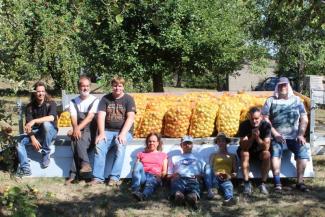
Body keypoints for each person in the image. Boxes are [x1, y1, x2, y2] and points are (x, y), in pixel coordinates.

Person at [262, 77, 309, 192]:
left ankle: (300, 182)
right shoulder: (271, 100)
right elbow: (265, 118)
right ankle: (277, 183)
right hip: (277, 136)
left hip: (294, 137)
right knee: (275, 154)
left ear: (289, 86)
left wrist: (301, 134)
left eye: (285, 85)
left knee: (303, 153)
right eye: (280, 85)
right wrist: (275, 133)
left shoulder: (297, 100)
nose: (283, 87)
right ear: (277, 87)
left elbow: (304, 118)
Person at [89, 77, 136, 186]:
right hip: (107, 130)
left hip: (124, 131)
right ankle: (97, 178)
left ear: (123, 87)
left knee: (120, 144)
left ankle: (114, 177)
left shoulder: (129, 99)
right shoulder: (105, 99)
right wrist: (101, 133)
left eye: (120, 85)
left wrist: (123, 134)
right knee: (100, 145)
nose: (117, 88)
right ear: (112, 86)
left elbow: (130, 118)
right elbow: (101, 116)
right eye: (115, 85)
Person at [16, 81, 58, 176]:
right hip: (36, 133)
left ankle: (46, 153)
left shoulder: (51, 103)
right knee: (19, 143)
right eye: (38, 91)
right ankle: (25, 167)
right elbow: (28, 127)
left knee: (46, 124)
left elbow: (51, 118)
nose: (41, 93)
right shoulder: (29, 107)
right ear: (34, 92)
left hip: (50, 131)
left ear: (45, 92)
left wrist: (35, 121)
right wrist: (33, 138)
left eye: (43, 91)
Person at [65, 76, 99, 185]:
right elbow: (73, 117)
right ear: (79, 87)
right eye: (83, 86)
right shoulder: (73, 101)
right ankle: (84, 169)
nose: (85, 88)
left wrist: (76, 130)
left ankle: (74, 174)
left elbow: (89, 117)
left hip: (91, 129)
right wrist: (75, 128)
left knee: (77, 139)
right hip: (79, 128)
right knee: (75, 140)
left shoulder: (94, 100)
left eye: (87, 86)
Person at [237, 107, 271, 195]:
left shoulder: (266, 126)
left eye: (256, 118)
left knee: (267, 154)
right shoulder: (244, 125)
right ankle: (247, 182)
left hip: (260, 151)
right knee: (244, 154)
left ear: (261, 117)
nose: (254, 121)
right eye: (252, 119)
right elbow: (244, 146)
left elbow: (266, 147)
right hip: (247, 149)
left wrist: (257, 138)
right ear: (249, 117)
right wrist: (252, 137)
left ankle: (263, 183)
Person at [167, 136, 207, 210]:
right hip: (179, 179)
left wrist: (200, 176)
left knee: (194, 190)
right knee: (177, 188)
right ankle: (179, 197)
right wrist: (173, 175)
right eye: (185, 144)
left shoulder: (199, 157)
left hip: (193, 178)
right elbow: (168, 175)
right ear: (181, 145)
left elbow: (205, 172)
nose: (187, 145)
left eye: (189, 143)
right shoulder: (174, 158)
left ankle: (192, 198)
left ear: (192, 145)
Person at [131, 133, 168, 201]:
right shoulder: (141, 154)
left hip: (154, 176)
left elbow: (164, 171)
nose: (151, 143)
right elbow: (136, 169)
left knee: (151, 181)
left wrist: (160, 177)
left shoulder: (163, 155)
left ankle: (143, 195)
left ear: (158, 143)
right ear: (147, 142)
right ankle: (135, 190)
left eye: (154, 141)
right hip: (143, 176)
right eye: (149, 141)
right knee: (138, 165)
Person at [206, 132, 237, 205]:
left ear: (226, 142)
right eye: (219, 141)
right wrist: (215, 173)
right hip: (215, 176)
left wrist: (230, 176)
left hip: (226, 176)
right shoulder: (213, 155)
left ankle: (229, 199)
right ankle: (212, 190)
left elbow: (235, 172)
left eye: (223, 141)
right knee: (213, 177)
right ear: (217, 143)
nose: (221, 143)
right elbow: (209, 169)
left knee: (229, 185)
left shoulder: (232, 156)